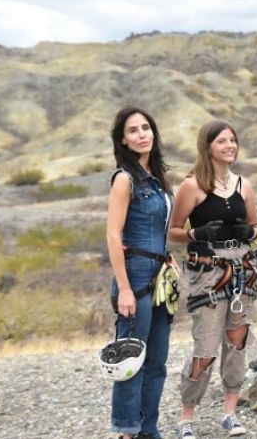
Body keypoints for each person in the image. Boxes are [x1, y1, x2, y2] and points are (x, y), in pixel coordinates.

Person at [169, 120, 257, 439]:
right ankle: (186, 418)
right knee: (206, 345)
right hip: (206, 273)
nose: (229, 146)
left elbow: (256, 226)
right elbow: (173, 231)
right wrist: (196, 233)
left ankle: (230, 414)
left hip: (241, 272)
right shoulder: (191, 186)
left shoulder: (243, 185)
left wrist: (248, 232)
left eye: (233, 140)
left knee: (236, 342)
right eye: (222, 141)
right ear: (207, 146)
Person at [106, 106, 173, 439]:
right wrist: (125, 288)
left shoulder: (157, 179)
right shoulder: (124, 178)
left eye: (146, 127)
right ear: (123, 139)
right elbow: (113, 235)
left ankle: (149, 429)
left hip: (160, 277)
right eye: (133, 130)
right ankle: (126, 431)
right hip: (134, 277)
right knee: (130, 362)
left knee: (157, 362)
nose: (142, 134)